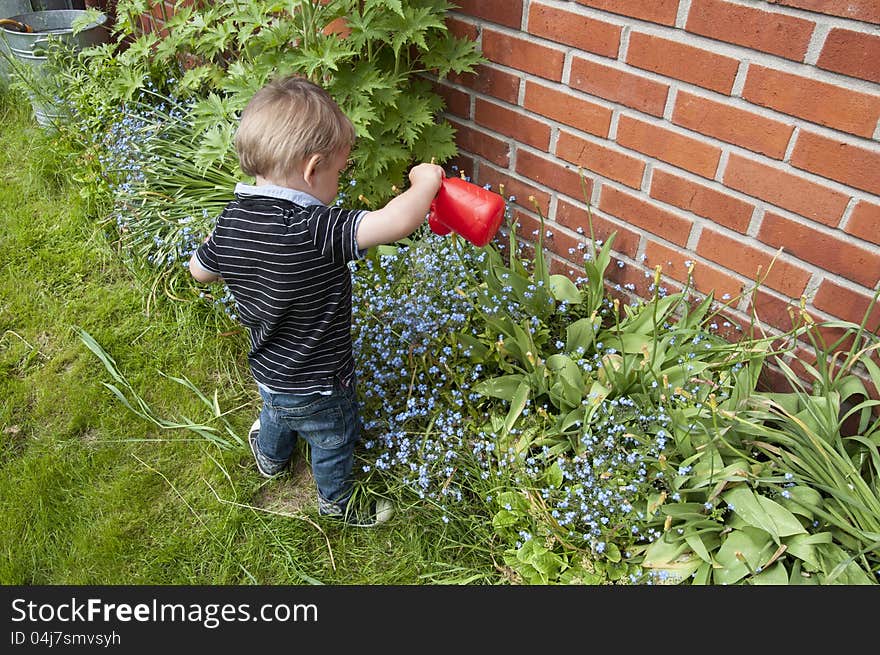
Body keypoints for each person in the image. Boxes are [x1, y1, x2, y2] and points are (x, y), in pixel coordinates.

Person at [188, 74, 444, 527]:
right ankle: (336, 501)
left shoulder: (231, 220)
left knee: (275, 412)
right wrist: (425, 183)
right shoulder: (315, 228)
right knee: (332, 439)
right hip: (323, 382)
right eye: (338, 173)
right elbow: (394, 222)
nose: (338, 185)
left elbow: (200, 270)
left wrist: (219, 246)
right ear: (312, 169)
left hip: (268, 368)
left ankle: (269, 461)